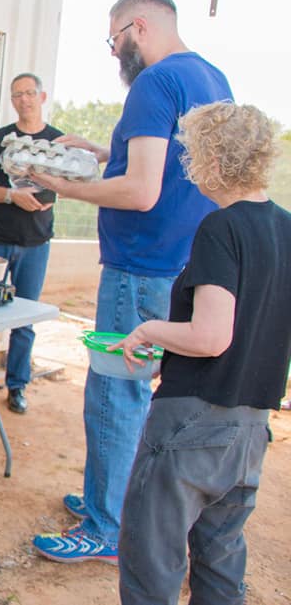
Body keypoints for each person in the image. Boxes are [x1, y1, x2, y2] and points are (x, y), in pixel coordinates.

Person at [28, 0, 233, 563]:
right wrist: (102, 150)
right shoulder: (212, 80)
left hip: (140, 265)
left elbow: (141, 192)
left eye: (115, 40)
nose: (116, 54)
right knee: (147, 396)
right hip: (188, 266)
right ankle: (116, 500)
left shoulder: (154, 82)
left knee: (115, 392)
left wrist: (63, 185)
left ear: (137, 27)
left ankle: (105, 525)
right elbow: (172, 173)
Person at [112, 102, 290, 605]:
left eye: (191, 153)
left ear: (213, 159)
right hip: (251, 428)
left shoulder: (222, 227)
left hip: (193, 423)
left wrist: (149, 329)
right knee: (220, 565)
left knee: (152, 567)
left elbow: (212, 336)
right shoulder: (286, 228)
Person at [0, 73, 63, 413]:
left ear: (42, 96)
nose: (24, 99)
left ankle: (18, 385)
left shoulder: (57, 142)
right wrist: (11, 196)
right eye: (18, 94)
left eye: (30, 93)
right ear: (12, 100)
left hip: (36, 242)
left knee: (25, 317)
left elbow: (66, 184)